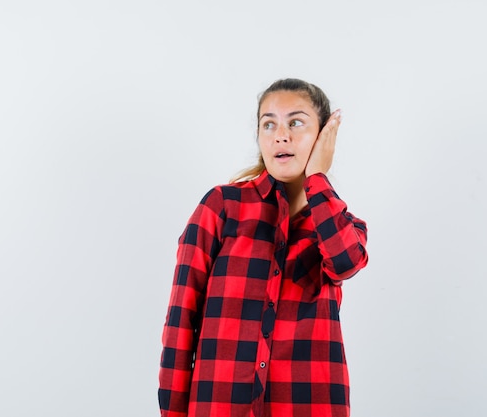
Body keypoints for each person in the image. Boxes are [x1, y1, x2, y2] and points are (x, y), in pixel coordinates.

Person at [158, 78, 369, 417]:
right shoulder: (221, 207)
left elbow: (345, 262)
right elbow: (181, 321)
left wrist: (317, 178)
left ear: (324, 136)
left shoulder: (340, 225)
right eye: (268, 124)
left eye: (295, 122)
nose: (280, 135)